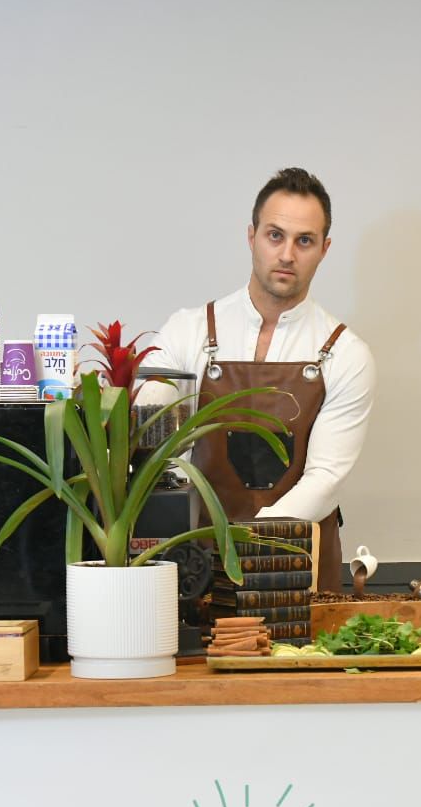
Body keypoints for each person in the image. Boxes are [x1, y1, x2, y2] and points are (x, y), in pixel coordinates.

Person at [141, 168, 376, 592]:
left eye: (304, 241)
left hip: (299, 569)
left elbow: (325, 479)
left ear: (324, 249)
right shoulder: (186, 332)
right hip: (199, 566)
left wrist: (246, 544)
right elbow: (152, 437)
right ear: (251, 237)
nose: (287, 254)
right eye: (275, 235)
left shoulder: (346, 353)